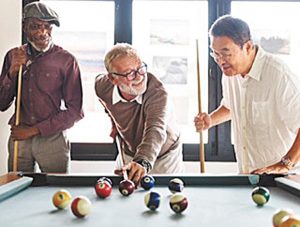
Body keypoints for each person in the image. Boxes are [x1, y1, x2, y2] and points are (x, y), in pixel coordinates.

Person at [194, 15, 300, 174]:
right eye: (215, 54)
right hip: (247, 175)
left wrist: (285, 163)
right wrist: (210, 120)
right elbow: (231, 106)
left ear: (248, 46)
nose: (220, 61)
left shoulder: (279, 75)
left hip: (282, 177)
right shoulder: (230, 73)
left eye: (226, 53)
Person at [0, 2, 84, 173]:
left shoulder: (66, 60)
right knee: (16, 190)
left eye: (48, 27)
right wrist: (11, 73)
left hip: (52, 140)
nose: (42, 32)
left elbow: (75, 111)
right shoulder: (13, 56)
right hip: (19, 137)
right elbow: (1, 104)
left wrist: (32, 131)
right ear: (25, 27)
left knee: (56, 193)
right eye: (35, 26)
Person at [95, 43, 183, 185]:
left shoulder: (158, 94)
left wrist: (142, 163)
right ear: (113, 79)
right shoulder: (102, 86)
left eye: (140, 68)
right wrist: (113, 123)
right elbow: (105, 102)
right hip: (129, 150)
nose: (139, 77)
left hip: (164, 154)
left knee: (166, 196)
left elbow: (155, 131)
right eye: (130, 73)